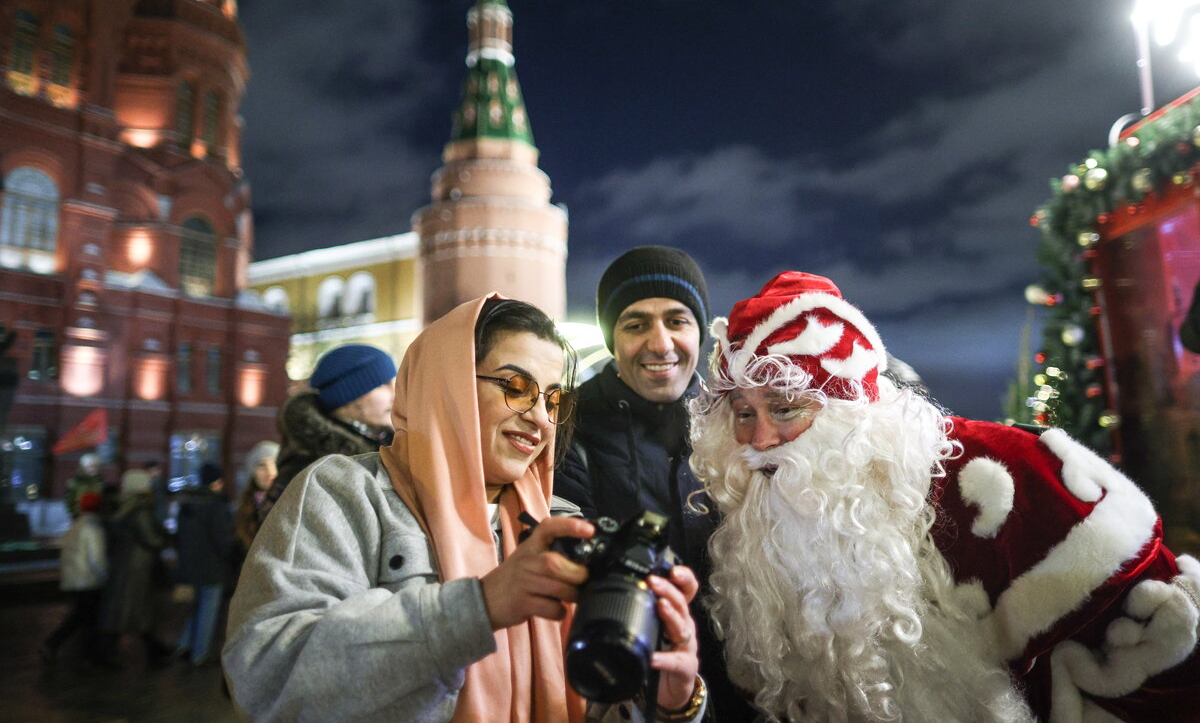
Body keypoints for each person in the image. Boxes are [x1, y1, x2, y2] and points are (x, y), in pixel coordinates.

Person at [688, 271, 1200, 722]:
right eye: (743, 413)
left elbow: (1167, 655)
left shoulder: (1007, 470)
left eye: (783, 409)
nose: (758, 442)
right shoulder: (759, 521)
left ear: (851, 413)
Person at [224, 296, 707, 722]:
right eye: (515, 387)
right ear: (447, 383)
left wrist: (669, 701)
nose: (540, 418)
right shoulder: (345, 493)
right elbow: (267, 677)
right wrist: (477, 608)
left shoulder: (563, 521)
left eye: (553, 398)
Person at [556, 245, 753, 721]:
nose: (660, 344)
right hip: (630, 693)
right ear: (611, 338)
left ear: (700, 332)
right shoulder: (570, 429)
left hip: (748, 693)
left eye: (677, 320)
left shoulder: (738, 422)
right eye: (635, 324)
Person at [257, 343, 397, 522]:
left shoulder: (390, 445)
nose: (395, 393)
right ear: (350, 395)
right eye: (383, 385)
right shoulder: (308, 464)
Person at [97, 468, 171, 667]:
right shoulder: (140, 510)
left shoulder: (122, 507)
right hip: (138, 570)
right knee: (137, 613)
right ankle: (109, 655)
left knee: (125, 614)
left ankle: (153, 649)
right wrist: (166, 536)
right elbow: (152, 540)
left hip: (123, 567)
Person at [174, 462, 233, 666]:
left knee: (198, 607)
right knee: (208, 608)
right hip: (211, 565)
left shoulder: (188, 503)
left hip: (190, 565)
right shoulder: (215, 504)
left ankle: (183, 645)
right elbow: (222, 539)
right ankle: (200, 654)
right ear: (216, 482)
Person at [42, 491, 106, 664]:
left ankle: (58, 645)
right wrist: (106, 576)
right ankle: (83, 652)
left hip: (73, 580)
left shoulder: (74, 527)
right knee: (86, 618)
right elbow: (97, 559)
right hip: (89, 581)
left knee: (80, 616)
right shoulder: (93, 528)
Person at [232, 441, 279, 563]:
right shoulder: (244, 509)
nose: (270, 472)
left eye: (274, 462)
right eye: (261, 465)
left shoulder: (293, 501)